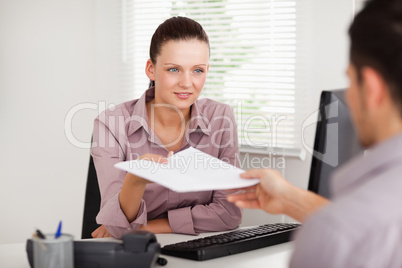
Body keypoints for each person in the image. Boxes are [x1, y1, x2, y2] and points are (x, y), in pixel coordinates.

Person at [228, 0, 402, 267]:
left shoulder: (331, 235)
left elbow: (348, 230)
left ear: (371, 88)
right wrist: (288, 197)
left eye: (350, 79)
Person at [91, 16, 241, 239]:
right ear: (151, 69)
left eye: (197, 70)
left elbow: (229, 214)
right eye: (174, 69)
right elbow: (117, 227)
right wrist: (135, 180)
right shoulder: (111, 124)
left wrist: (147, 227)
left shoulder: (221, 118)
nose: (187, 83)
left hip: (193, 252)